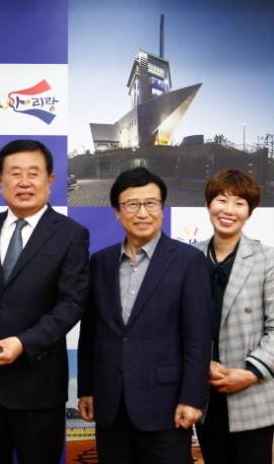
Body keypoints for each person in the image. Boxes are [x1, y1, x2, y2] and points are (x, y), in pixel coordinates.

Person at [0, 139, 90, 464]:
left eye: (34, 173)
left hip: (38, 384)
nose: (24, 182)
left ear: (50, 180)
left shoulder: (71, 234)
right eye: (14, 173)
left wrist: (22, 343)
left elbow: (71, 304)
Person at [77, 167, 212, 464]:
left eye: (151, 203)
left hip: (166, 406)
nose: (142, 213)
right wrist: (86, 388)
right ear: (117, 212)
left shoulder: (189, 261)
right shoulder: (101, 262)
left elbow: (198, 339)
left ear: (161, 208)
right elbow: (91, 332)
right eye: (132, 204)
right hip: (110, 405)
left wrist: (192, 398)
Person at [194, 170, 274, 464]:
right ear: (208, 205)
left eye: (239, 203)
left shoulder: (267, 259)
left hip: (253, 394)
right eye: (221, 200)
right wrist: (201, 365)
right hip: (203, 394)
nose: (228, 210)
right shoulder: (189, 258)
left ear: (249, 213)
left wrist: (250, 372)